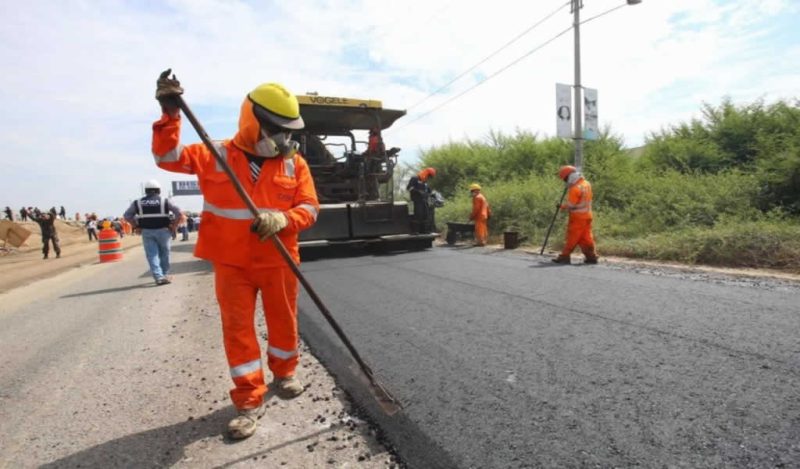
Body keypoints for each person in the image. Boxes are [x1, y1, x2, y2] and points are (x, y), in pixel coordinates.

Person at [152, 70, 319, 440]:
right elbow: (166, 156)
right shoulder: (215, 154)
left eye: (288, 130)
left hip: (278, 259)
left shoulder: (295, 164)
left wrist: (284, 218)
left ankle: (285, 372)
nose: (284, 138)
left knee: (284, 322)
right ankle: (248, 398)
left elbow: (310, 208)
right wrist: (170, 113)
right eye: (277, 128)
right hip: (231, 263)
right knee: (238, 332)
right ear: (253, 119)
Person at [124, 179, 182, 285]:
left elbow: (127, 216)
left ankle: (159, 277)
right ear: (158, 190)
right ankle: (164, 274)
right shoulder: (165, 200)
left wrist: (136, 226)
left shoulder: (138, 202)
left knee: (152, 255)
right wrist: (174, 226)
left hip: (147, 232)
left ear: (146, 191)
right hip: (164, 231)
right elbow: (179, 213)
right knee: (165, 254)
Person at [553, 165, 598, 265]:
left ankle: (564, 256)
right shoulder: (586, 184)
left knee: (572, 237)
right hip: (588, 216)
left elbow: (571, 206)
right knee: (586, 238)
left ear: (569, 176)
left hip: (578, 217)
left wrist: (561, 206)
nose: (564, 181)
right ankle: (591, 257)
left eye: (565, 178)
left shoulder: (574, 189)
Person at [406, 167, 436, 233]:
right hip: (416, 201)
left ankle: (424, 231)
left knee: (425, 215)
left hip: (424, 201)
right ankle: (415, 231)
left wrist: (433, 193)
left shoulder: (425, 182)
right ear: (426, 173)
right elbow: (409, 188)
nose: (429, 178)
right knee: (418, 215)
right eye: (429, 176)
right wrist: (418, 192)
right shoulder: (415, 179)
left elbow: (428, 191)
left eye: (430, 177)